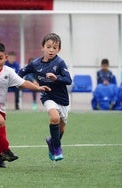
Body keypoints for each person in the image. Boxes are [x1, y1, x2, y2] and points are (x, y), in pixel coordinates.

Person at [18, 33, 72, 161]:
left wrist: (56, 78)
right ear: (43, 47)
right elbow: (21, 72)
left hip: (63, 99)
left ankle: (52, 142)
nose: (51, 50)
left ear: (59, 49)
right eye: (49, 47)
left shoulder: (60, 63)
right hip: (47, 96)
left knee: (62, 127)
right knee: (54, 118)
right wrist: (17, 81)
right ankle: (57, 148)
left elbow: (68, 80)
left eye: (55, 47)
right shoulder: (35, 63)